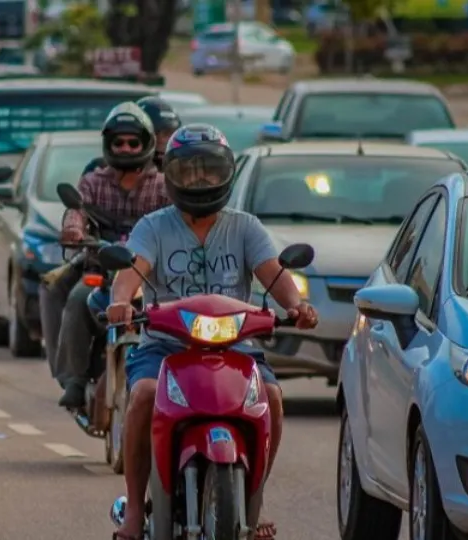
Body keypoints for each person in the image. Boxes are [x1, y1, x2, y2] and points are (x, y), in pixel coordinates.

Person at [107, 124, 319, 540]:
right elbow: (130, 271)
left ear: (227, 174)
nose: (199, 180)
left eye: (209, 170)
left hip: (238, 350)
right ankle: (134, 509)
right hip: (165, 347)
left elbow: (274, 275)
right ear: (171, 176)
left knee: (272, 398)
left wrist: (295, 306)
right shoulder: (153, 226)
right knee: (144, 395)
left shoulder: (246, 227)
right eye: (189, 172)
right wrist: (121, 301)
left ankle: (253, 506)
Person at [50, 101, 173, 408]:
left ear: (146, 143)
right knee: (77, 301)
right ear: (107, 144)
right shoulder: (93, 182)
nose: (126, 148)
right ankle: (75, 381)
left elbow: (177, 221)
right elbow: (75, 211)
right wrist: (73, 231)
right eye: (119, 142)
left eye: (134, 142)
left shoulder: (162, 186)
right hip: (100, 273)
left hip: (149, 277)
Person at [81, 96, 181, 177]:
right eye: (157, 133)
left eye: (169, 134)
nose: (164, 141)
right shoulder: (99, 170)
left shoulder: (183, 172)